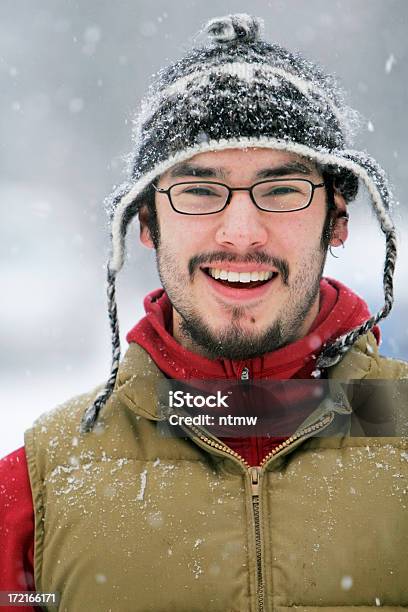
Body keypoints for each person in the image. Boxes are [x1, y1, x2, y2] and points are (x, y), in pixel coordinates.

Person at [1, 13, 407, 612]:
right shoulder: (36, 487)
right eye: (198, 189)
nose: (241, 234)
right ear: (145, 222)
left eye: (282, 188)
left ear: (337, 219)